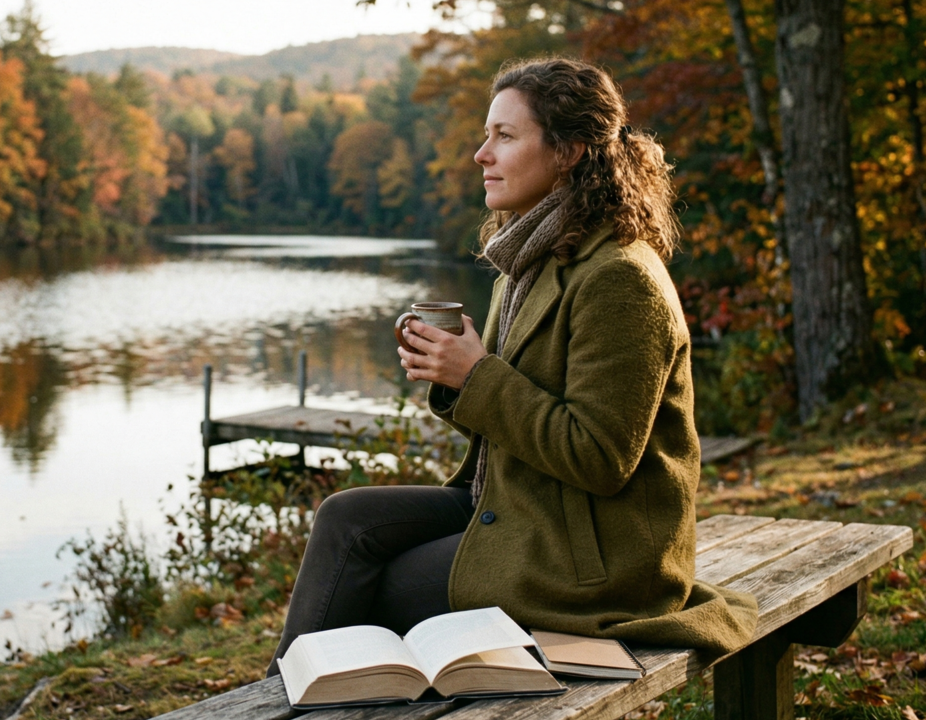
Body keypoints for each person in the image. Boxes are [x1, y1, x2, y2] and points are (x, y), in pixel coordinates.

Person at [267, 57, 757, 675]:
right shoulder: (529, 261)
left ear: (569, 151)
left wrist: (476, 376)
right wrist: (453, 374)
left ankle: (289, 702)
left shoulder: (620, 279)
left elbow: (601, 457)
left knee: (376, 587)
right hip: (521, 502)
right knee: (345, 520)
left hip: (595, 552)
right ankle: (282, 696)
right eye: (485, 135)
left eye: (505, 136)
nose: (481, 154)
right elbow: (511, 413)